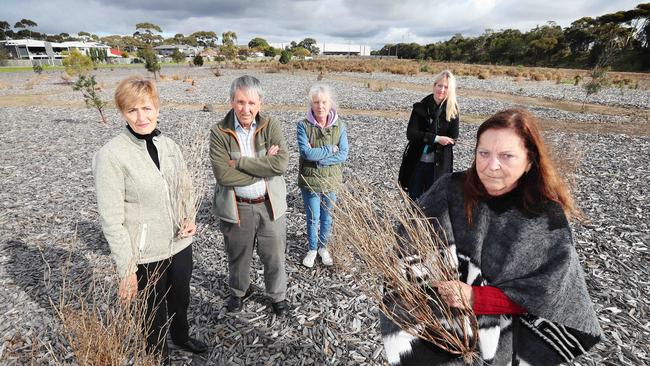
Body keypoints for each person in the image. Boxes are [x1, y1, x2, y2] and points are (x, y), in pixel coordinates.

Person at [382, 109, 601, 365]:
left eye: (507, 156)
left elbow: (550, 295)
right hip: (435, 328)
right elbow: (404, 252)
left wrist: (476, 298)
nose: (491, 165)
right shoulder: (448, 191)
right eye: (483, 153)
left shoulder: (544, 217)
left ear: (530, 160)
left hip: (502, 341)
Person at [93, 76, 207, 363]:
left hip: (180, 244)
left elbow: (184, 187)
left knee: (181, 299)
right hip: (145, 254)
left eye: (146, 108)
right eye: (132, 110)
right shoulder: (111, 155)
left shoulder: (169, 145)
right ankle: (158, 355)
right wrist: (126, 268)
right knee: (152, 311)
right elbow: (111, 220)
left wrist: (188, 217)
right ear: (123, 113)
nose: (141, 117)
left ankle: (181, 336)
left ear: (156, 107)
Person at [209, 75, 290, 316]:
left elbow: (281, 164)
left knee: (274, 256)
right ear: (232, 101)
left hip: (269, 205)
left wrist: (241, 163)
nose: (246, 109)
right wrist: (263, 168)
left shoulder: (271, 125)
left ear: (260, 103)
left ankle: (277, 297)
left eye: (251, 103)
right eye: (241, 102)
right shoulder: (219, 131)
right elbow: (223, 175)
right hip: (238, 206)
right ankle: (238, 293)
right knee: (238, 256)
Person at [296, 84, 349, 268]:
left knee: (327, 216)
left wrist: (320, 160)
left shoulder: (340, 126)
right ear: (311, 104)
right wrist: (329, 149)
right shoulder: (303, 126)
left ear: (330, 103)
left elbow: (343, 154)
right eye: (316, 102)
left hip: (331, 179)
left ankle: (323, 248)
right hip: (310, 180)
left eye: (324, 102)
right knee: (313, 216)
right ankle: (312, 248)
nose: (320, 106)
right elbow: (306, 154)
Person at [398, 70, 459, 200]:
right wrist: (437, 138)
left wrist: (426, 136)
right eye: (439, 85)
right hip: (417, 162)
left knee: (434, 200)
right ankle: (410, 220)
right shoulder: (420, 108)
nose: (441, 90)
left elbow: (453, 138)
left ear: (450, 90)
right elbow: (411, 134)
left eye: (446, 87)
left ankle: (426, 221)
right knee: (413, 199)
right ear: (434, 86)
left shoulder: (452, 110)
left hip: (439, 164)